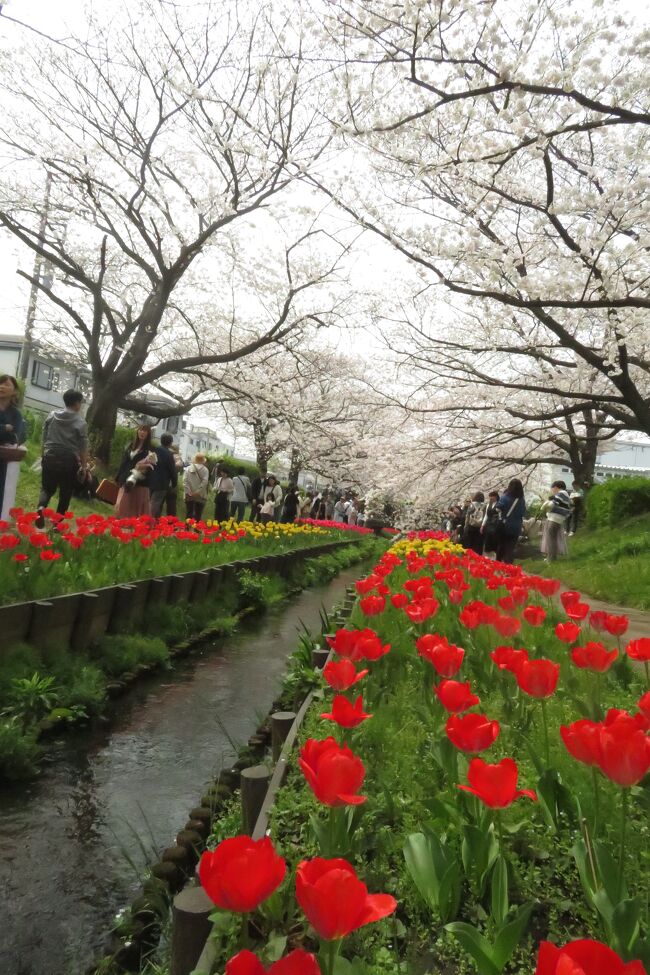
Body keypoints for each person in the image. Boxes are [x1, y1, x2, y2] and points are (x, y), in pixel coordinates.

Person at [36, 388, 89, 527]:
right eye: (81, 403)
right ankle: (56, 525)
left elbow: (44, 436)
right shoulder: (81, 422)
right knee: (66, 492)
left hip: (50, 455)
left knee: (46, 488)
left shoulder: (52, 415)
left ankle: (41, 508)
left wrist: (43, 454)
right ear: (77, 403)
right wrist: (83, 466)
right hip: (69, 460)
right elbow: (83, 448)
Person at [0, 374, 27, 521]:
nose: (2, 387)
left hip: (4, 458)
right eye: (0, 384)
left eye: (6, 384)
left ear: (15, 391)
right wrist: (5, 428)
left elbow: (20, 436)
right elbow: (9, 432)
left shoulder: (16, 414)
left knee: (2, 491)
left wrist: (10, 432)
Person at [114, 425, 155, 518]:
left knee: (135, 508)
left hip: (140, 482)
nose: (142, 432)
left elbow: (151, 466)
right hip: (126, 478)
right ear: (137, 431)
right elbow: (123, 462)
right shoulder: (130, 445)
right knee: (122, 504)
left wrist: (139, 471)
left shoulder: (150, 449)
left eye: (145, 431)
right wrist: (118, 476)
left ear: (148, 434)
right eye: (140, 430)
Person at [495, 478, 526, 564]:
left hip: (505, 526)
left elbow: (497, 509)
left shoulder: (504, 497)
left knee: (501, 545)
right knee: (510, 548)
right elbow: (523, 513)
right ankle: (508, 567)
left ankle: (497, 565)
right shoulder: (522, 500)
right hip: (516, 526)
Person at [540, 480, 572, 562]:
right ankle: (551, 557)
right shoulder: (565, 494)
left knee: (551, 539)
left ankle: (550, 558)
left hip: (554, 519)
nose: (552, 491)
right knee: (553, 538)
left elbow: (553, 504)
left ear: (556, 487)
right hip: (557, 519)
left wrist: (545, 504)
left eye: (552, 488)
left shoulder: (562, 493)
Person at [149, 433, 178, 518]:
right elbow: (172, 470)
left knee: (151, 501)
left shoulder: (154, 450)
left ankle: (153, 520)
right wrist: (174, 483)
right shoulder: (169, 454)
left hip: (151, 480)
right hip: (162, 482)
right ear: (170, 443)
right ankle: (152, 521)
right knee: (156, 503)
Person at [183, 452, 210, 520]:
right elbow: (205, 482)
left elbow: (185, 481)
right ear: (203, 460)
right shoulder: (205, 469)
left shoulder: (188, 469)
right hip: (200, 495)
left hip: (189, 495)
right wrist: (197, 492)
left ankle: (187, 529)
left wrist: (189, 492)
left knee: (189, 513)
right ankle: (196, 529)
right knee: (198, 514)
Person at [480, 490, 501, 558]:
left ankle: (493, 556)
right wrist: (482, 525)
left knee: (494, 541)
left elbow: (500, 515)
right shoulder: (488, 505)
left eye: (492, 497)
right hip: (488, 525)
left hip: (496, 526)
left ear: (496, 497)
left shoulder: (499, 504)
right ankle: (487, 556)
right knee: (487, 541)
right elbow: (486, 515)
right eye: (490, 497)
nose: (491, 498)